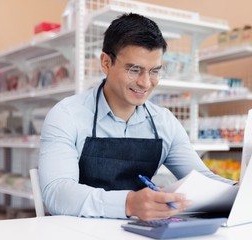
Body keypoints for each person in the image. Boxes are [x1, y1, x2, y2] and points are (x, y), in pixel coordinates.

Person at [38, 13, 235, 221]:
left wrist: (240, 190)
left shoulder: (164, 123)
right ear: (106, 63)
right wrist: (129, 204)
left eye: (154, 71)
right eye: (134, 70)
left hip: (138, 238)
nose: (145, 83)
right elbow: (57, 193)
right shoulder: (67, 116)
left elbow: (204, 181)